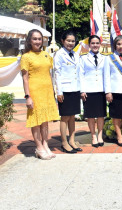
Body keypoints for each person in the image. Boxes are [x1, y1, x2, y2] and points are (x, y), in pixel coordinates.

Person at [20, 29, 59, 160]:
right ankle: (39, 147)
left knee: (45, 121)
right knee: (36, 121)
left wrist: (53, 91)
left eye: (39, 39)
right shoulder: (26, 56)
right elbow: (25, 78)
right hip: (34, 91)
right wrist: (27, 96)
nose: (37, 41)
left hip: (47, 91)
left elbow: (49, 73)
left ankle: (45, 144)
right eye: (35, 39)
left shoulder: (46, 55)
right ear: (29, 41)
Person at [53, 30, 82, 154]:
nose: (71, 43)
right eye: (68, 41)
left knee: (72, 117)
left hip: (75, 88)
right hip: (64, 90)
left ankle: (72, 140)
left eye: (73, 41)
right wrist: (59, 92)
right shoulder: (59, 55)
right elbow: (57, 74)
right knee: (65, 117)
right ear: (63, 41)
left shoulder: (75, 54)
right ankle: (64, 142)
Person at [79, 35, 106, 148]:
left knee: (100, 115)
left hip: (101, 89)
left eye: (97, 43)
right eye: (93, 43)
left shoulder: (105, 58)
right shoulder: (83, 58)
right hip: (89, 90)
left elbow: (106, 75)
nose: (95, 45)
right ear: (89, 45)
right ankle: (93, 136)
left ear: (100, 44)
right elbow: (81, 75)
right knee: (90, 116)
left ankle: (100, 135)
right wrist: (82, 90)